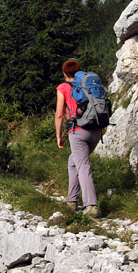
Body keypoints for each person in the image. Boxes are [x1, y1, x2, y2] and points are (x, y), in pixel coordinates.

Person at [55, 59, 102, 218]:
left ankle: (91, 206)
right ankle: (72, 201)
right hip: (96, 130)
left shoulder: (63, 87)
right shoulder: (88, 85)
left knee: (83, 166)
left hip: (78, 131)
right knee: (73, 162)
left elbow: (60, 114)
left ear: (64, 73)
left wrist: (58, 135)